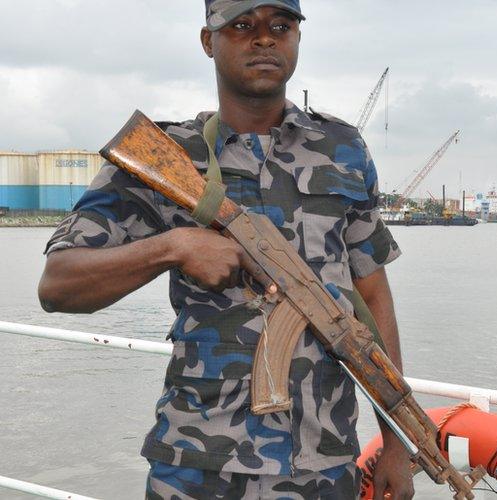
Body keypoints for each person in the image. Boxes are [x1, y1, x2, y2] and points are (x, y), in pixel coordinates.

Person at [38, 1, 414, 498]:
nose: (264, 39)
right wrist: (172, 247)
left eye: (281, 26)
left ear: (298, 38)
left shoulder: (342, 149)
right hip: (197, 464)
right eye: (242, 26)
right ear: (207, 41)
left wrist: (396, 441)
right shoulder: (168, 157)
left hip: (324, 466)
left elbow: (373, 298)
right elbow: (58, 285)